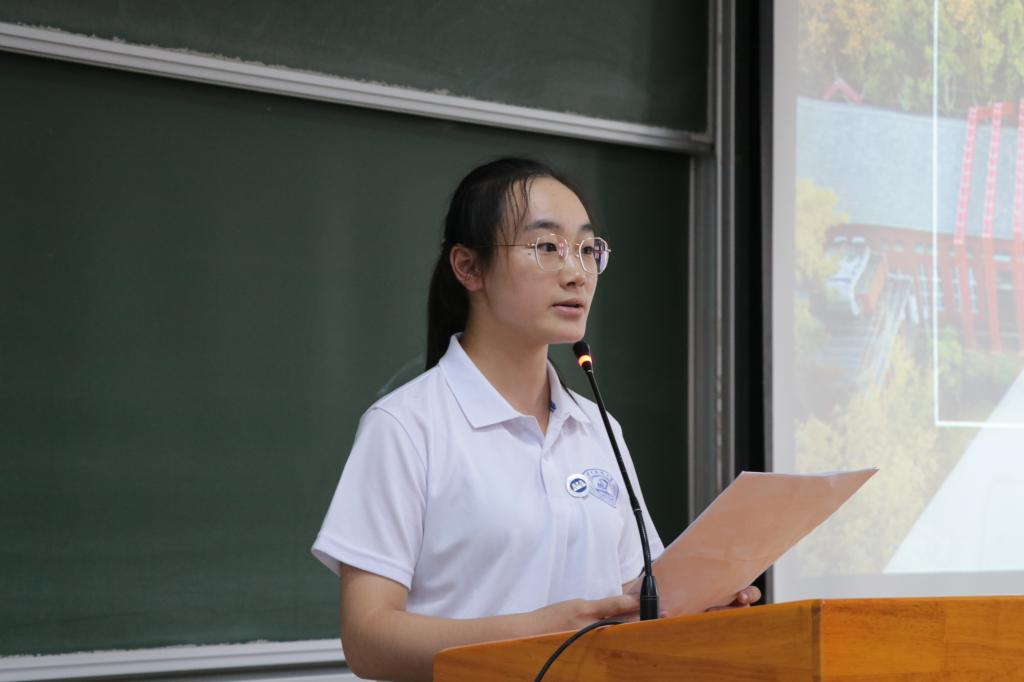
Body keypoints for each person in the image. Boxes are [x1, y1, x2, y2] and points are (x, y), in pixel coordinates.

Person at [312, 158, 759, 682]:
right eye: (547, 247)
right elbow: (368, 639)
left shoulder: (598, 427)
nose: (577, 272)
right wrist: (539, 633)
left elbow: (626, 600)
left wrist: (694, 605)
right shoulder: (406, 426)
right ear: (469, 268)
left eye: (587, 249)